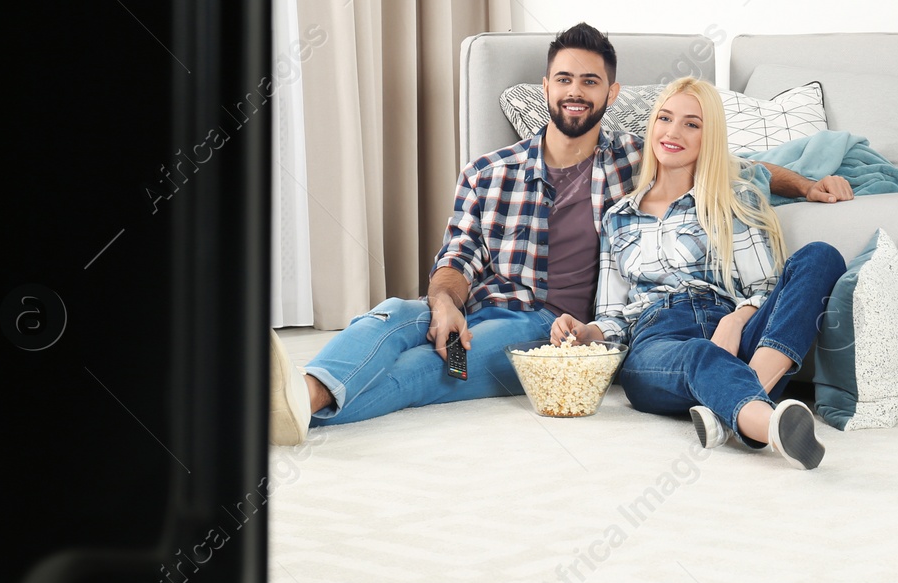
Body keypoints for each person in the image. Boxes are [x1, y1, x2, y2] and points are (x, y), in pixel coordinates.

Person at [269, 24, 853, 444]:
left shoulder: (638, 161)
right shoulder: (487, 171)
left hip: (550, 334)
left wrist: (806, 185)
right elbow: (458, 254)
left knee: (429, 375)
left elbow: (734, 164)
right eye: (565, 78)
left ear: (611, 94)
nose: (576, 90)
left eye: (591, 81)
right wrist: (445, 302)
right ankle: (298, 394)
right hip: (489, 306)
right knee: (399, 313)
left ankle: (300, 403)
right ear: (546, 86)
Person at [549, 77, 846, 470]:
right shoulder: (617, 217)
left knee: (820, 257)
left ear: (710, 136)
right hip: (659, 343)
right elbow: (613, 314)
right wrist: (588, 332)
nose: (673, 132)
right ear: (652, 125)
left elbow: (765, 288)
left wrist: (736, 319)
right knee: (698, 354)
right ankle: (768, 423)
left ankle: (729, 409)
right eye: (665, 119)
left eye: (692, 124)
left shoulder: (732, 198)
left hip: (737, 334)